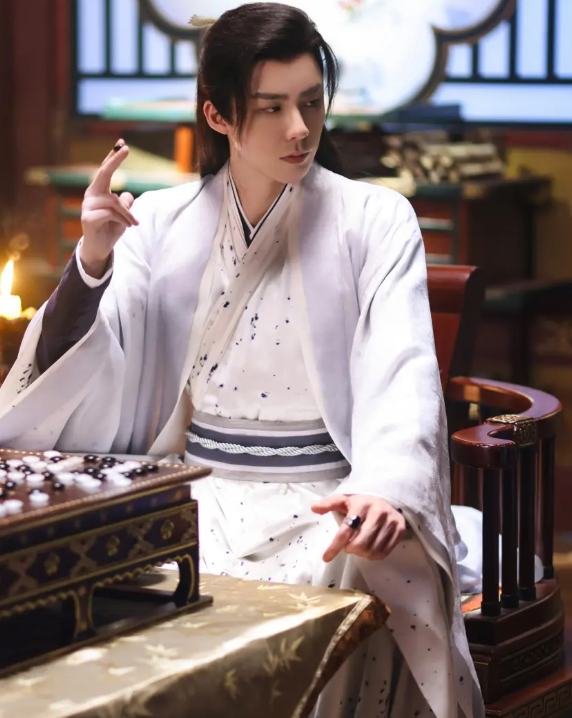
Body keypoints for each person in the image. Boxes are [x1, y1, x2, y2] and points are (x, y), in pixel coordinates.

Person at [0, 4, 484, 717]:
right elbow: (95, 363)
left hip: (325, 497)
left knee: (358, 567)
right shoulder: (158, 222)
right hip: (199, 498)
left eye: (311, 102)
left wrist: (386, 489)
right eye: (273, 108)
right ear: (218, 115)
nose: (301, 128)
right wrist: (92, 262)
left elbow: (403, 369)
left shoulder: (376, 220)